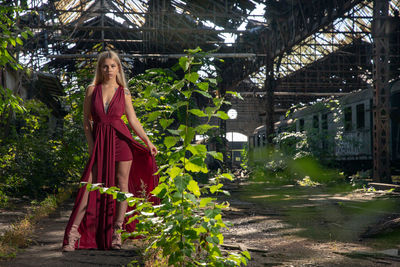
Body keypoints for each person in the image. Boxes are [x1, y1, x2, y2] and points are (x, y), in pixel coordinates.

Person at [62, 50, 159, 251]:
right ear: (100, 68)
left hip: (121, 141)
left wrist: (147, 141)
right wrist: (91, 145)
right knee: (88, 186)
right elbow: (86, 121)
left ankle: (117, 231)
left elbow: (132, 120)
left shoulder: (123, 92)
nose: (108, 70)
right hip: (99, 142)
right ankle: (73, 234)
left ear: (118, 68)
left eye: (112, 66)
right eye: (105, 66)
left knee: (122, 185)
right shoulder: (92, 90)